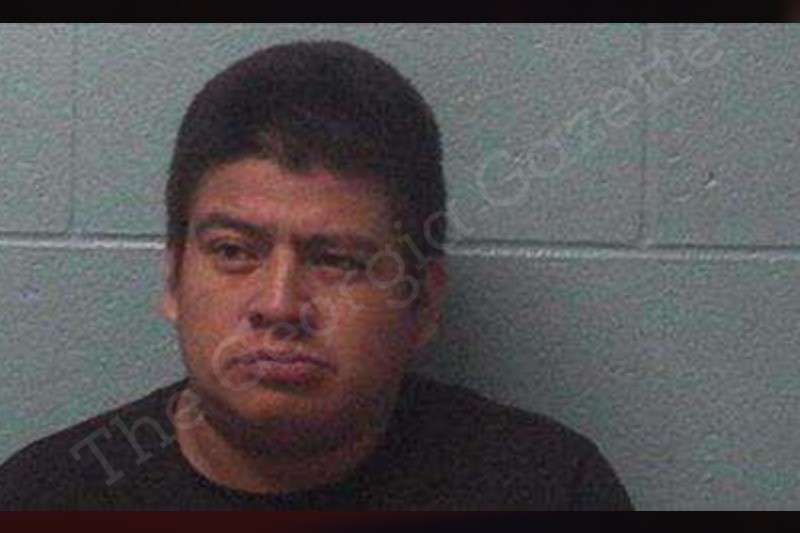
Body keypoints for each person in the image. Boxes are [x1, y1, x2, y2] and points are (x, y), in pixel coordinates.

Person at [0, 40, 632, 511]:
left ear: (424, 302)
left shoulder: (548, 491)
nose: (279, 305)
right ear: (172, 278)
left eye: (337, 261)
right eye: (233, 252)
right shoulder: (49, 498)